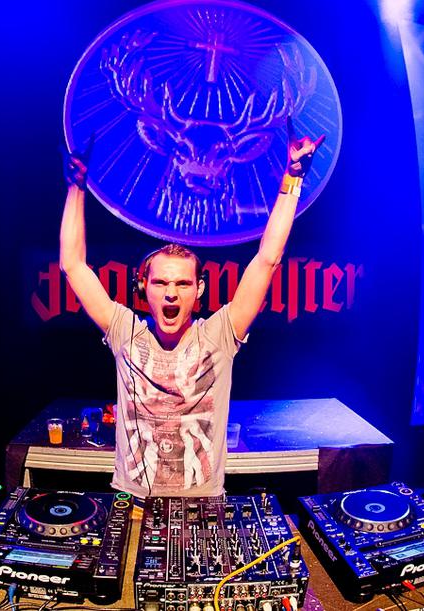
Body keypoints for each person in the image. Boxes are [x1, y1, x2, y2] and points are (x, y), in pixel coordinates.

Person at [60, 120, 325, 497]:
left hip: (203, 508)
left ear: (198, 290)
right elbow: (73, 265)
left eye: (182, 284)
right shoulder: (125, 331)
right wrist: (76, 186)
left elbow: (268, 259)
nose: (171, 294)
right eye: (161, 283)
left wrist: (293, 178)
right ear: (144, 287)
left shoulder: (218, 335)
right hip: (134, 505)